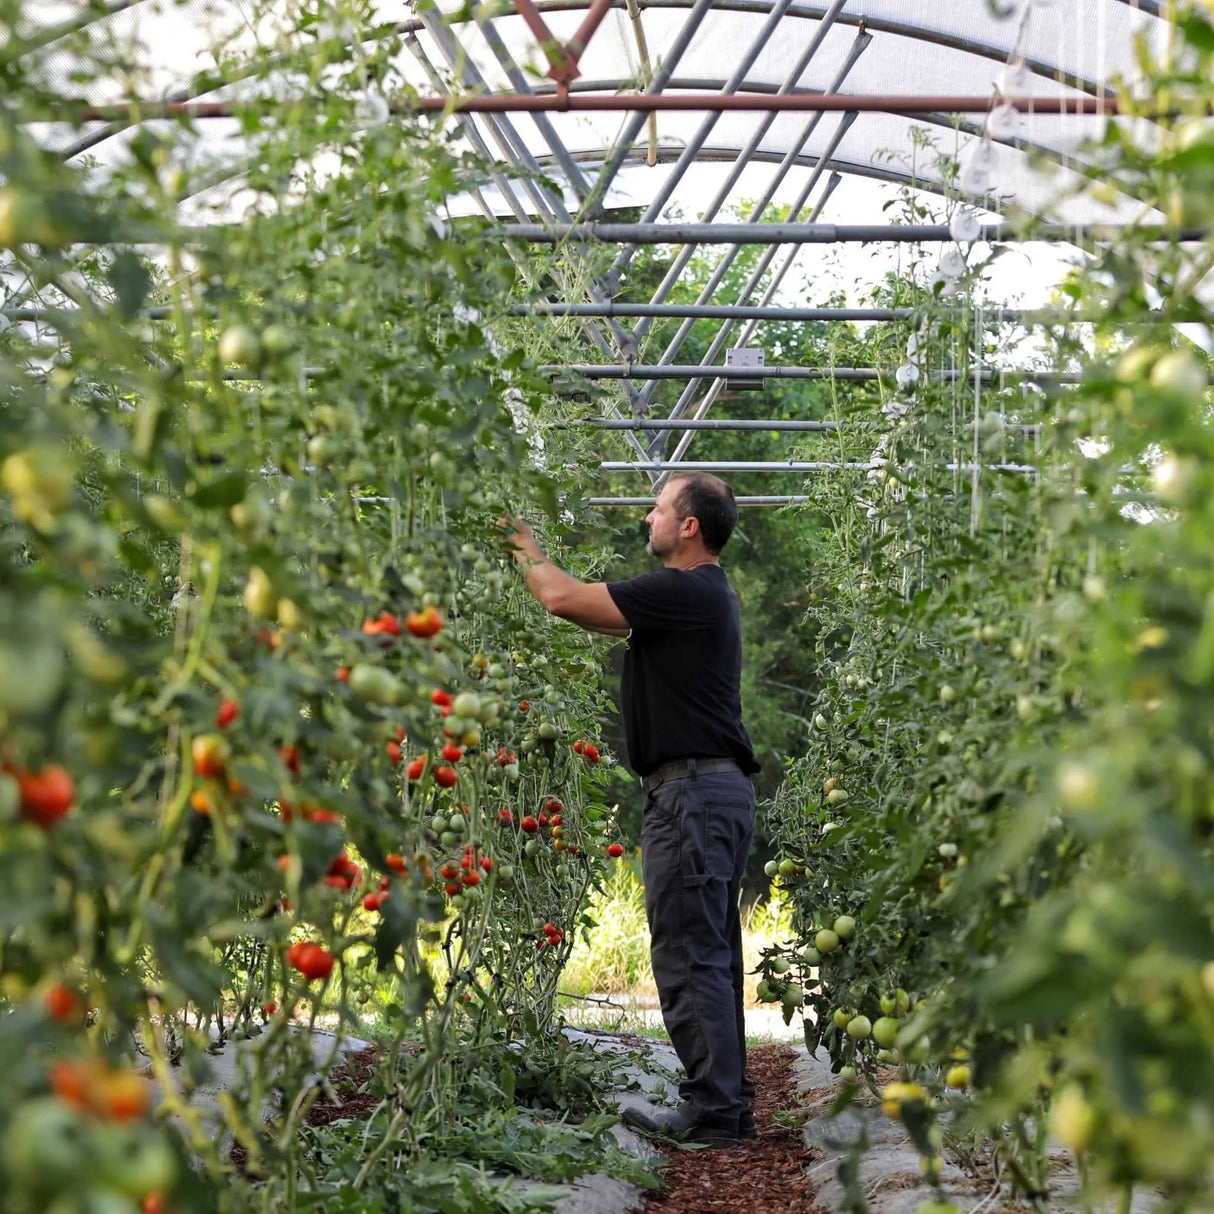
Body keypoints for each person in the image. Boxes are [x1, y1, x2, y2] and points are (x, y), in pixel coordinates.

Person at [502, 473, 760, 1149]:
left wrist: (522, 543)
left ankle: (712, 1113)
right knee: (712, 952)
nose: (648, 517)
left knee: (689, 951)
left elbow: (560, 598)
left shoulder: (686, 590)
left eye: (658, 508)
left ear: (689, 527)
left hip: (694, 795)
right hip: (714, 791)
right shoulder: (701, 597)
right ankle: (727, 1104)